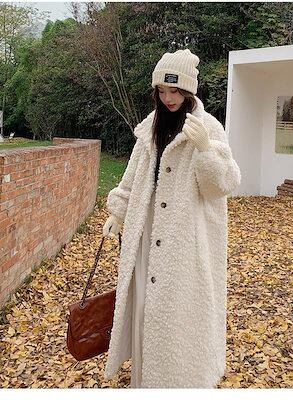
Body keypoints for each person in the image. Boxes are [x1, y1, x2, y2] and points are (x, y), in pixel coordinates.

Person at [102, 48, 241, 388]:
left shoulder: (208, 127)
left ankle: (178, 381)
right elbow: (134, 175)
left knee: (176, 314)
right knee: (145, 309)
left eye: (175, 91)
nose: (168, 98)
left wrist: (206, 149)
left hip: (184, 240)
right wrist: (118, 211)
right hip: (146, 232)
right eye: (162, 91)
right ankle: (144, 381)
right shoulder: (151, 125)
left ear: (189, 90)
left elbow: (223, 185)